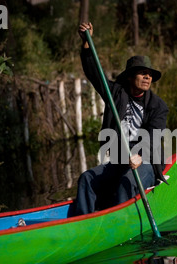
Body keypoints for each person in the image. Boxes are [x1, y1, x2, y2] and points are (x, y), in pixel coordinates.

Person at [68, 22, 169, 216]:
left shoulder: (158, 105)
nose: (147, 77)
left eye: (150, 75)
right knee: (86, 178)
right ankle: (84, 222)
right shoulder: (115, 93)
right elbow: (94, 74)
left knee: (127, 182)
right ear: (130, 77)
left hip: (146, 159)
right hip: (119, 159)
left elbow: (153, 136)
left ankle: (120, 221)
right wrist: (87, 44)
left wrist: (139, 154)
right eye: (142, 73)